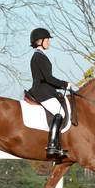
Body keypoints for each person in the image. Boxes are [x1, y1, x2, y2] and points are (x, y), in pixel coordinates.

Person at [27, 28, 71, 157]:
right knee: (60, 112)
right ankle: (52, 145)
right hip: (42, 91)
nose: (49, 43)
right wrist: (64, 84)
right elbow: (48, 78)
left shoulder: (40, 55)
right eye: (47, 40)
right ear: (40, 41)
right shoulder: (38, 56)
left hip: (45, 90)